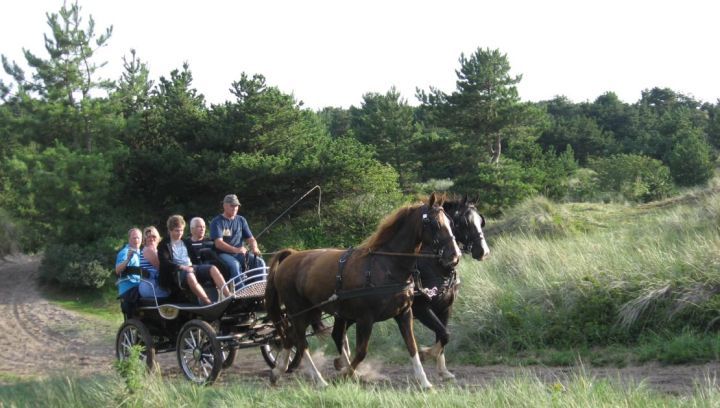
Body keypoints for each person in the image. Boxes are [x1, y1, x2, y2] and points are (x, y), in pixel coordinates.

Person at [158, 215, 230, 305]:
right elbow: (165, 263)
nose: (180, 233)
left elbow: (195, 259)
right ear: (170, 230)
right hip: (176, 272)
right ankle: (208, 303)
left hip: (191, 267)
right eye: (177, 230)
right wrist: (182, 267)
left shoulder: (185, 242)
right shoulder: (164, 244)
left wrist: (200, 268)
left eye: (181, 230)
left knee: (212, 268)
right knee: (190, 275)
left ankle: (229, 297)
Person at [209, 194, 263, 287]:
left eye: (236, 205)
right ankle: (241, 291)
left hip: (239, 253)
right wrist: (236, 250)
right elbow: (218, 243)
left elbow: (251, 238)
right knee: (235, 265)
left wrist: (255, 248)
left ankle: (260, 288)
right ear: (225, 206)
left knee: (260, 262)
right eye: (232, 205)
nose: (235, 208)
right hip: (222, 254)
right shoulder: (217, 222)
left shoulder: (241, 220)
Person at [138, 226, 171, 299]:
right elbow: (162, 268)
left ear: (158, 238)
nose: (151, 238)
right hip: (151, 286)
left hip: (154, 284)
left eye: (154, 236)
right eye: (148, 236)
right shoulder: (148, 250)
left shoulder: (157, 250)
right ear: (144, 239)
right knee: (175, 293)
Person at [115, 228, 142, 296]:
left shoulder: (141, 253)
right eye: (134, 238)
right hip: (129, 291)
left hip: (138, 288)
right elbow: (117, 270)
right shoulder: (125, 252)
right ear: (129, 239)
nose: (136, 240)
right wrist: (128, 260)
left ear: (141, 239)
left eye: (138, 238)